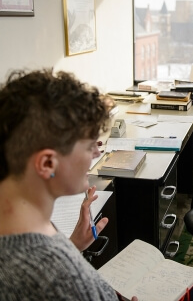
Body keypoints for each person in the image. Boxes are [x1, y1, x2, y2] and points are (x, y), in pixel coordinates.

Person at [0, 69, 138, 301]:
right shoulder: (64, 279)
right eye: (88, 146)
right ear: (46, 163)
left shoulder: (23, 223)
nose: (96, 153)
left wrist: (72, 245)